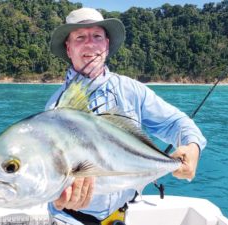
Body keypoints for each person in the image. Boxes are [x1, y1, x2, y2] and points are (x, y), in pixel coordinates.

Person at [45, 7, 207, 225]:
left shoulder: (132, 90)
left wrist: (192, 147)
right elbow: (50, 175)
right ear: (69, 47)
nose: (90, 44)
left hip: (120, 216)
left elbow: (177, 123)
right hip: (70, 219)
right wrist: (58, 197)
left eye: (97, 36)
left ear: (107, 44)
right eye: (80, 37)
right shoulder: (56, 110)